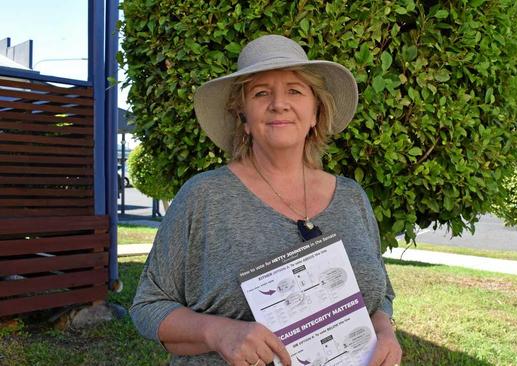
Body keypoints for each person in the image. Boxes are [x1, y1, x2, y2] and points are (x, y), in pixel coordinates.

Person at [130, 34, 402, 366]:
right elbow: (148, 307)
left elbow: (380, 294)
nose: (279, 103)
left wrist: (384, 329)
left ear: (315, 112)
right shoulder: (204, 197)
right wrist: (219, 332)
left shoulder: (352, 198)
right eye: (261, 93)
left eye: (295, 90)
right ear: (242, 117)